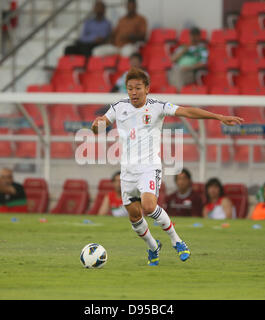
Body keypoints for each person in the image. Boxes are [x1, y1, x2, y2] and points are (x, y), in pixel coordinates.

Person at [91, 67, 243, 265]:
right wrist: (97, 125)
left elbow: (187, 111)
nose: (133, 92)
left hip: (149, 167)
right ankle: (153, 247)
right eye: (130, 89)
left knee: (148, 206)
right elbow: (99, 127)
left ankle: (177, 241)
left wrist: (218, 117)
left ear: (147, 89)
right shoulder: (119, 107)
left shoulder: (157, 107)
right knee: (135, 217)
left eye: (138, 88)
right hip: (127, 171)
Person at [169, 27, 208, 91]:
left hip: (190, 72)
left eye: (196, 35)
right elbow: (172, 59)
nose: (194, 38)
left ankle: (178, 93)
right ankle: (174, 92)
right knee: (174, 70)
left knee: (178, 72)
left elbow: (203, 63)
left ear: (199, 37)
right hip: (178, 69)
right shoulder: (183, 47)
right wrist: (183, 51)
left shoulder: (202, 49)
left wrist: (189, 67)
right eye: (192, 35)